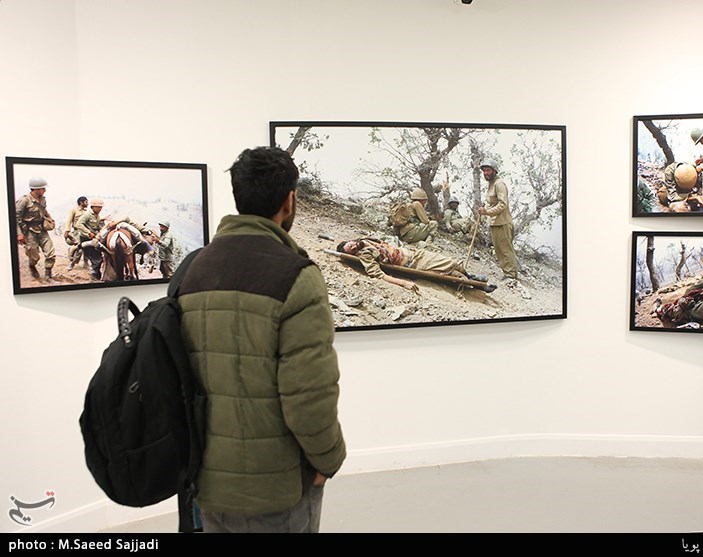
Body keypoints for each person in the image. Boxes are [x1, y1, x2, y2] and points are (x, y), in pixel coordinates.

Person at [177, 146, 346, 534]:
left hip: (205, 481)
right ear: (289, 201)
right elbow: (309, 394)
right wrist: (328, 459)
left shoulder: (193, 268)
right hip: (277, 488)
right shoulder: (296, 276)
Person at [336, 237, 492, 292]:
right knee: (450, 268)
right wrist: (403, 283)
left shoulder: (365, 240)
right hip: (413, 263)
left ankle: (471, 276)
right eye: (351, 250)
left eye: (350, 245)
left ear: (350, 241)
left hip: (413, 253)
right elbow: (377, 274)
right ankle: (478, 286)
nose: (353, 247)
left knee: (450, 262)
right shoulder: (365, 255)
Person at [477, 158, 517, 281]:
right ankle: (508, 274)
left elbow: (502, 204)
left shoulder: (499, 184)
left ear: (494, 171)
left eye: (488, 170)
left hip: (503, 223)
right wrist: (485, 207)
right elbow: (492, 202)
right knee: (499, 250)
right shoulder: (491, 184)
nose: (486, 173)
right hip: (495, 223)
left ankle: (511, 276)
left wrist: (487, 212)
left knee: (505, 250)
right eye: (484, 171)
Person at [15, 177, 56, 280]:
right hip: (29, 231)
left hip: (42, 229)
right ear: (36, 189)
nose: (45, 190)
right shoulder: (24, 200)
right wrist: (19, 234)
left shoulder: (42, 199)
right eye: (43, 188)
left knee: (50, 253)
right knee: (34, 256)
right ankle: (32, 266)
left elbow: (44, 212)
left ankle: (48, 275)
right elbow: (15, 218)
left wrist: (50, 219)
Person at [74, 198, 108, 280]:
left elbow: (98, 226)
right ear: (93, 207)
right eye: (98, 207)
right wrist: (88, 232)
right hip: (86, 238)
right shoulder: (87, 215)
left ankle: (96, 274)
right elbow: (79, 224)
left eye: (101, 207)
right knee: (96, 257)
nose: (100, 209)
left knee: (98, 256)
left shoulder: (97, 216)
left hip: (94, 238)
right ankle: (94, 275)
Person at [65, 196, 89, 270]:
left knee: (87, 247)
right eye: (86, 202)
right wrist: (67, 231)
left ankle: (86, 263)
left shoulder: (86, 212)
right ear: (81, 202)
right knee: (80, 248)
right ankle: (72, 264)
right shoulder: (74, 210)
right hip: (77, 232)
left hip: (85, 232)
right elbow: (69, 220)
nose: (87, 203)